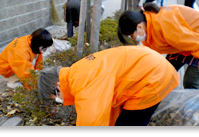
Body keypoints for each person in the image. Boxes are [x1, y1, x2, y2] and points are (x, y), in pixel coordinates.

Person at [37, 46, 180, 126]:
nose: (59, 101)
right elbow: (106, 109)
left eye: (56, 97)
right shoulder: (77, 73)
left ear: (57, 85)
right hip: (151, 69)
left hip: (152, 77)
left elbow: (91, 121)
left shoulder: (82, 83)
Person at [117, 2, 199, 90]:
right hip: (185, 42)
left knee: (190, 81)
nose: (133, 39)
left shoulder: (165, 25)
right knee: (166, 72)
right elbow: (150, 56)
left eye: (131, 35)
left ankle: (195, 111)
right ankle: (170, 100)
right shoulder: (149, 26)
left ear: (139, 26)